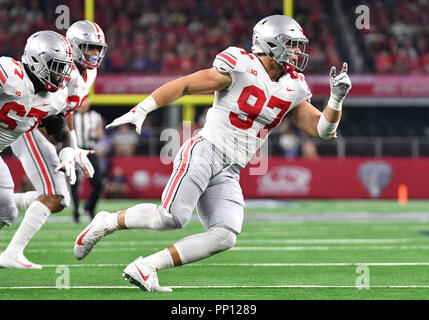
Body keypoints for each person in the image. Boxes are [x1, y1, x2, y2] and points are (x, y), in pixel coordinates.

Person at [73, 15, 352, 292]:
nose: (296, 51)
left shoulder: (294, 85)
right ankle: (106, 222)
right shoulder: (240, 64)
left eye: (297, 45)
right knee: (172, 218)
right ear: (270, 43)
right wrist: (143, 109)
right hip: (206, 151)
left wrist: (336, 99)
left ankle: (146, 267)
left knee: (224, 235)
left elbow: (322, 129)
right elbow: (184, 84)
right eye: (290, 44)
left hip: (231, 168)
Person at [1, 20, 107, 269]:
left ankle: (6, 205)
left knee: (10, 212)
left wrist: (70, 148)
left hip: (26, 125)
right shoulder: (11, 74)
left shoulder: (74, 81)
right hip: (28, 130)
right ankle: (12, 252)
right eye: (90, 47)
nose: (95, 54)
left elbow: (57, 117)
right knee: (55, 195)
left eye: (98, 49)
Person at [0, 30, 78, 268]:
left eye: (63, 67)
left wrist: (67, 154)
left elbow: (61, 131)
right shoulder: (8, 74)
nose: (60, 74)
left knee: (7, 213)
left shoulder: (53, 99)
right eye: (55, 66)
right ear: (36, 60)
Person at [70, 99, 104, 223]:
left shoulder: (95, 116)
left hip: (90, 152)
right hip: (75, 151)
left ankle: (89, 208)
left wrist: (98, 135)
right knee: (73, 183)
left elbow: (99, 136)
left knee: (98, 183)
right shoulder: (72, 115)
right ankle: (75, 214)